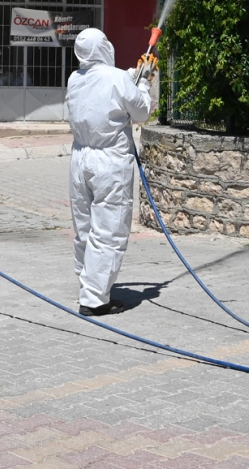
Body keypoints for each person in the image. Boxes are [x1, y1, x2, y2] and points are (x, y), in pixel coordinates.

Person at [66, 27, 153, 316]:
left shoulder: (75, 79)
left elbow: (106, 87)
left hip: (80, 159)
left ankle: (88, 285)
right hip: (110, 163)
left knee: (85, 229)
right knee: (109, 230)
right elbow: (140, 111)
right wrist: (145, 83)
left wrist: (133, 74)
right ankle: (94, 300)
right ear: (104, 47)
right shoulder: (117, 79)